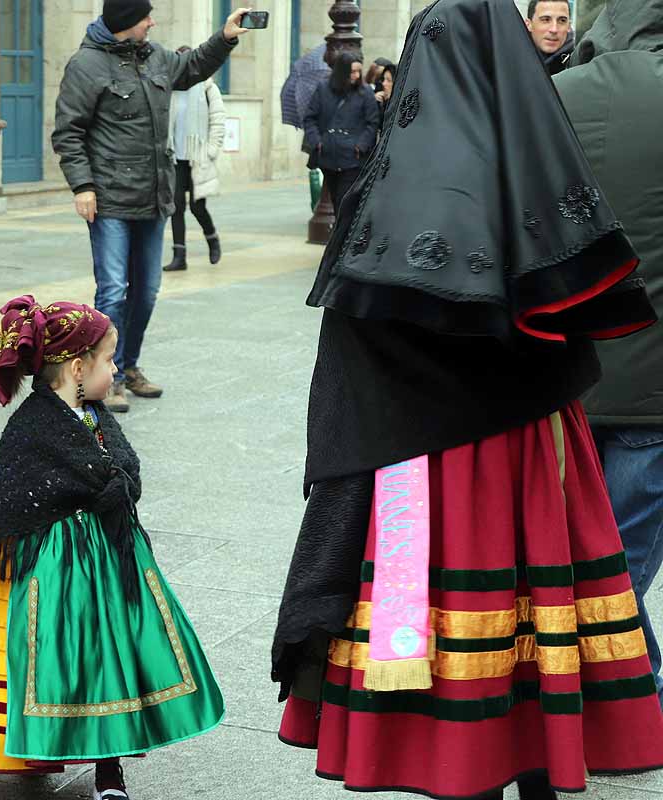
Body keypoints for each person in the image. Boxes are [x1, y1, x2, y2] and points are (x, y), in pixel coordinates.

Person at [271, 1, 663, 797]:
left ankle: (461, 766)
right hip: (537, 450)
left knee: (459, 627)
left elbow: (355, 355)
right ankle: (540, 765)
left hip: (428, 459)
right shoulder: (548, 182)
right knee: (540, 614)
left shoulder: (385, 189)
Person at [0, 296, 223, 800]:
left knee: (110, 659)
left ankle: (110, 769)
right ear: (77, 367)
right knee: (56, 662)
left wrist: (119, 485)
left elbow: (124, 466)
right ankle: (40, 747)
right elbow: (16, 503)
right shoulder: (30, 426)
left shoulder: (96, 414)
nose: (114, 369)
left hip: (110, 561)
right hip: (55, 571)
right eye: (109, 360)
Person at [52, 1, 251, 412]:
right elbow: (68, 131)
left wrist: (225, 37)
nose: (152, 22)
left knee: (146, 292)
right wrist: (83, 186)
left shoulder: (156, 56)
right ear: (126, 22)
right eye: (146, 17)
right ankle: (105, 379)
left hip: (154, 196)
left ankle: (128, 365)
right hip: (109, 199)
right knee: (112, 292)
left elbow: (193, 66)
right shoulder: (86, 65)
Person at [555, 0, 663, 707]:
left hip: (565, 374)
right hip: (655, 384)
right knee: (617, 561)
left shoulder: (553, 96)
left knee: (579, 548)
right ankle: (632, 690)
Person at [163, 46, 226, 272]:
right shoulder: (170, 87)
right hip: (175, 157)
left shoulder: (208, 88)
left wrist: (209, 151)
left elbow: (218, 122)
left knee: (198, 207)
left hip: (198, 158)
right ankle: (179, 256)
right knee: (176, 206)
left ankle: (212, 239)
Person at [302, 52, 379, 221]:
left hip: (353, 159)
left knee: (346, 203)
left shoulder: (364, 92)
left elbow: (372, 123)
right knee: (337, 200)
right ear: (343, 71)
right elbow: (310, 118)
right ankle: (339, 241)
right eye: (352, 72)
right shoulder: (323, 89)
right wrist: (317, 142)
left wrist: (361, 145)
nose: (356, 76)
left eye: (359, 71)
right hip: (328, 156)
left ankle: (341, 242)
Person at [526, 0, 574, 75]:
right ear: (529, 25)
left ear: (569, 26)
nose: (554, 29)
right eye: (546, 20)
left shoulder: (579, 65)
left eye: (562, 20)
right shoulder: (508, 61)